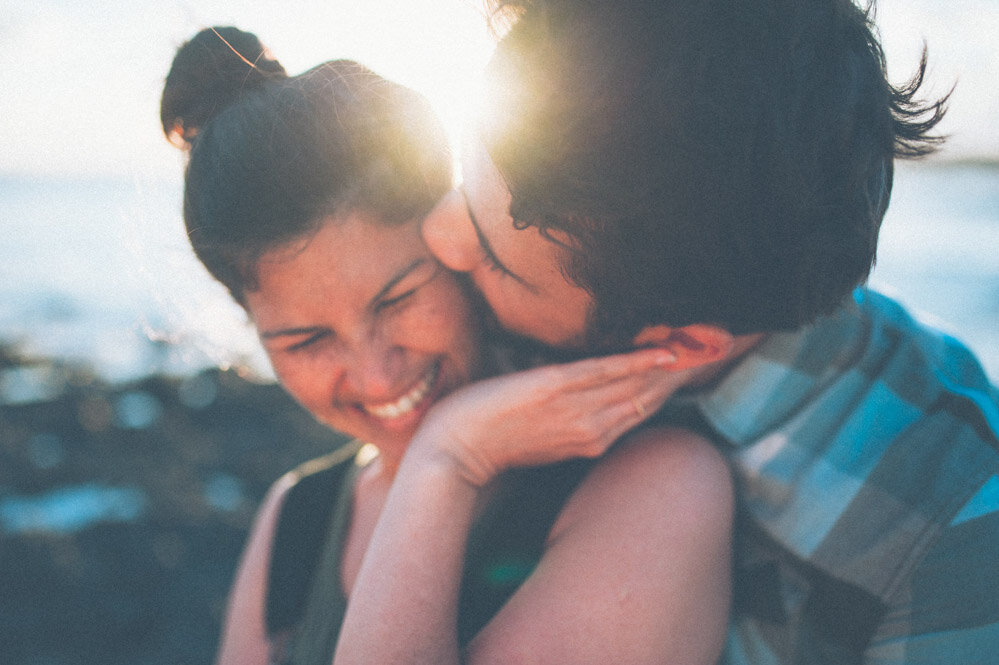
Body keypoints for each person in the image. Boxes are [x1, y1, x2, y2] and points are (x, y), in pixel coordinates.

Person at [361, 0, 999, 663]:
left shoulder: (954, 541)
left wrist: (447, 458)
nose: (437, 236)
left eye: (494, 259)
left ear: (687, 344)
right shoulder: (525, 299)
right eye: (464, 182)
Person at [161, 27, 734, 665]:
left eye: (398, 300)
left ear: (459, 244)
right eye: (306, 341)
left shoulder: (659, 488)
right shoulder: (297, 518)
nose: (376, 378)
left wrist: (448, 459)